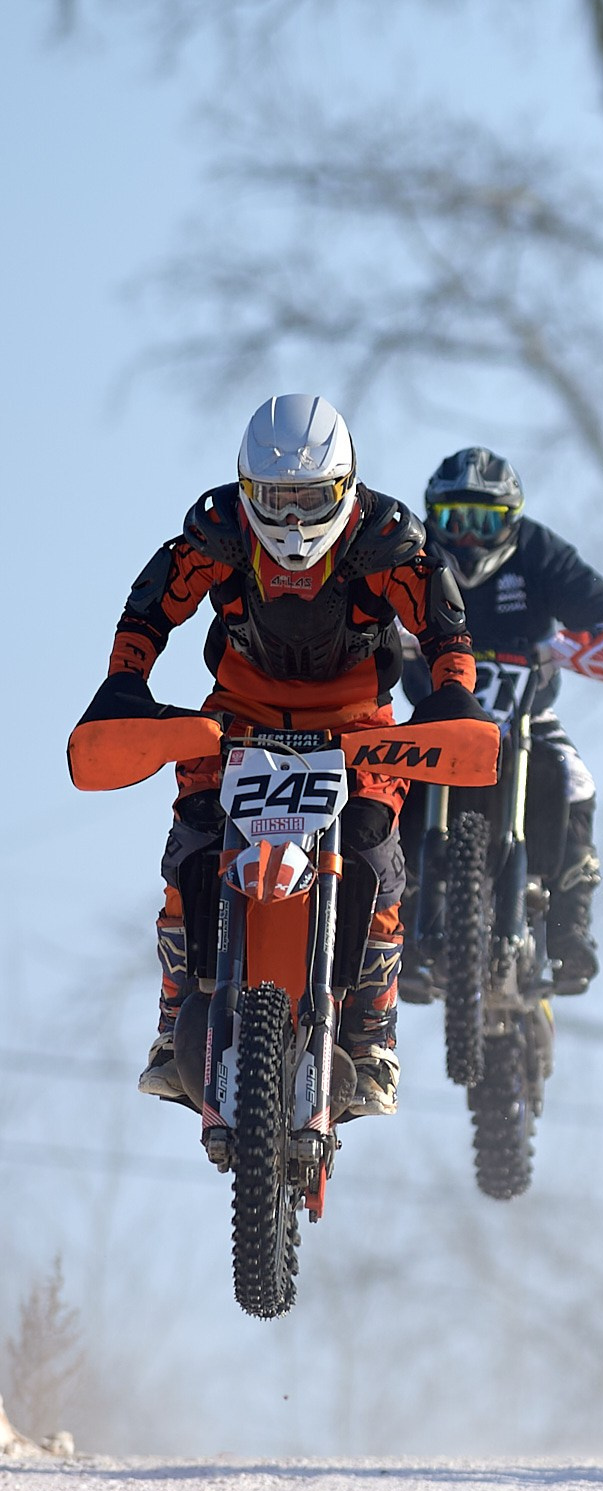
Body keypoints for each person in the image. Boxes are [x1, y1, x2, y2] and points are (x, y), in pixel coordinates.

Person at [95, 395, 478, 1117]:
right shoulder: (217, 535)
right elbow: (149, 606)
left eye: (310, 497)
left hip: (356, 724)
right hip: (240, 718)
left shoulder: (387, 540)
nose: (295, 519)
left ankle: (371, 1036)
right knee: (193, 840)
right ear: (247, 493)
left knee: (372, 846)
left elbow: (445, 625)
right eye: (277, 498)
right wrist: (124, 681)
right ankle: (172, 1020)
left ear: (346, 487)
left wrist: (454, 697)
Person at [400, 447, 603, 999]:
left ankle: (570, 931)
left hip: (528, 718)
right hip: (433, 722)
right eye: (453, 519)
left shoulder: (537, 551)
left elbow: (602, 603)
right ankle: (391, 927)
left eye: (483, 520)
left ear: (511, 520)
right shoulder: (409, 552)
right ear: (430, 516)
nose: (466, 537)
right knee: (375, 790)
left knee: (578, 783)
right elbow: (359, 598)